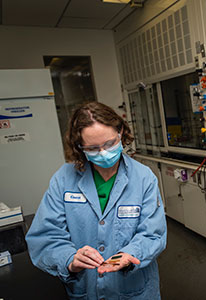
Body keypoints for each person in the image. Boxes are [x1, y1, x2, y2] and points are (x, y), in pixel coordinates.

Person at [26, 102, 167, 299]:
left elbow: (153, 234)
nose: (103, 153)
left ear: (120, 133)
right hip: (86, 288)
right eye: (93, 148)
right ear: (79, 147)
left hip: (134, 290)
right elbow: (45, 236)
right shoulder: (64, 179)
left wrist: (129, 254)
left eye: (109, 144)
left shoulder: (143, 178)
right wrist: (69, 259)